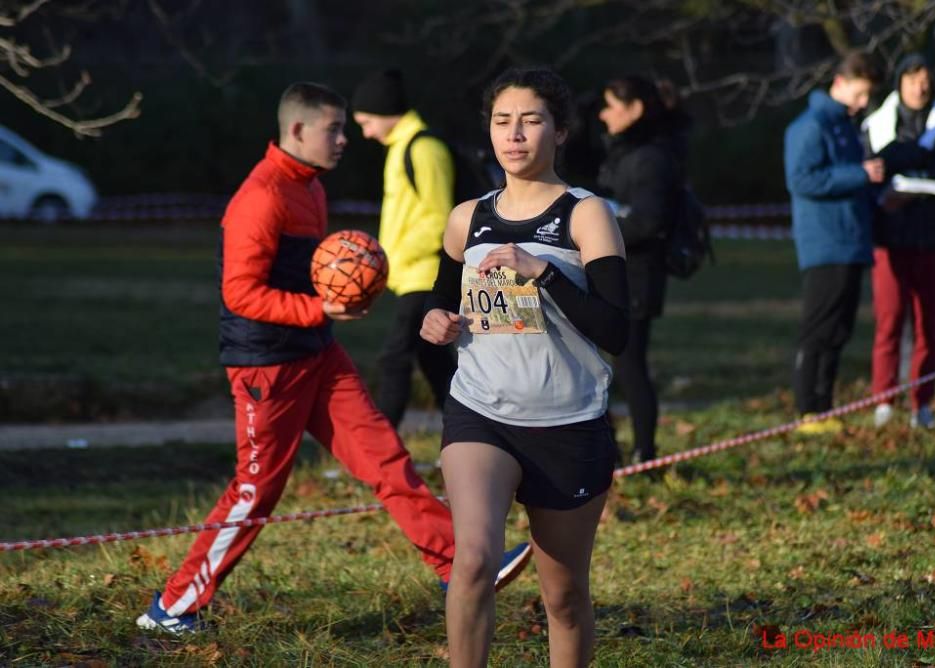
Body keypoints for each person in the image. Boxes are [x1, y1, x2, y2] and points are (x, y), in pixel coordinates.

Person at [135, 82, 529, 634]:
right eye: (333, 129)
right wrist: (319, 307)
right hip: (265, 367)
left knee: (384, 456)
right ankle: (173, 607)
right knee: (256, 489)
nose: (344, 140)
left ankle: (457, 564)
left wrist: (336, 297)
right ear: (297, 130)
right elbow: (239, 294)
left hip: (318, 352)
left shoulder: (312, 191)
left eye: (345, 128)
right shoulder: (261, 197)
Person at [421, 67, 629, 667]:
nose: (515, 135)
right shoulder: (467, 219)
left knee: (562, 597)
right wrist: (435, 321)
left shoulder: (585, 215)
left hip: (569, 424)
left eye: (531, 121)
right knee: (475, 561)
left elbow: (616, 329)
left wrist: (543, 274)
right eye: (502, 122)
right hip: (482, 412)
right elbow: (440, 300)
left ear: (560, 132)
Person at [861, 53, 935, 429]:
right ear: (900, 83)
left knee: (928, 326)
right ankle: (884, 400)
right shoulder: (875, 127)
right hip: (889, 238)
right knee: (889, 321)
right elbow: (865, 175)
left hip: (933, 238)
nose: (919, 87)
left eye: (925, 80)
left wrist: (920, 188)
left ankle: (921, 402)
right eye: (912, 80)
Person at [783, 52, 886, 434]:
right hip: (825, 243)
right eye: (860, 94)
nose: (863, 103)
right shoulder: (809, 126)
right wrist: (857, 174)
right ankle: (807, 410)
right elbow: (802, 179)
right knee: (818, 329)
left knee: (839, 331)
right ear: (840, 83)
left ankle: (824, 407)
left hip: (852, 241)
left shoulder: (847, 126)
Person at [351, 69, 458, 428]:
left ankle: (380, 451)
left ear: (384, 112)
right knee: (435, 363)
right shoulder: (400, 149)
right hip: (411, 275)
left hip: (426, 276)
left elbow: (439, 218)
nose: (365, 133)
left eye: (366, 122)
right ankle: (472, 434)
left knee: (394, 358)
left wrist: (389, 257)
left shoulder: (424, 149)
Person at [596, 75, 690, 463]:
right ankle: (614, 448)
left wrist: (595, 229)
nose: (603, 115)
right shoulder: (626, 152)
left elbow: (648, 221)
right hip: (618, 272)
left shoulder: (651, 157)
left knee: (631, 364)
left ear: (633, 110)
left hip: (637, 275)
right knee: (609, 363)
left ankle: (643, 452)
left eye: (611, 106)